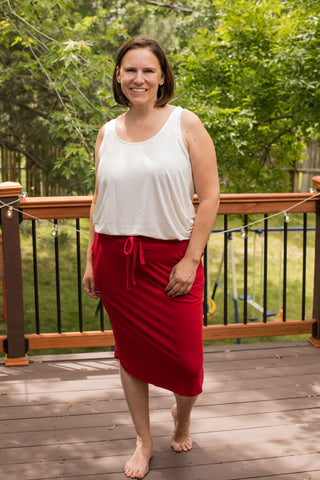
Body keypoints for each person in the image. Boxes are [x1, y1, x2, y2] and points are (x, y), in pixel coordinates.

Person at [83, 36, 220, 479]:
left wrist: (191, 259)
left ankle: (181, 417)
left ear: (162, 77)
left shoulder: (185, 123)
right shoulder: (107, 131)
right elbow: (99, 199)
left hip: (172, 260)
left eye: (147, 70)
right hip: (114, 260)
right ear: (118, 77)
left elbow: (212, 194)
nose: (138, 78)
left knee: (187, 362)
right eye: (130, 70)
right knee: (131, 355)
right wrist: (91, 258)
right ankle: (143, 440)